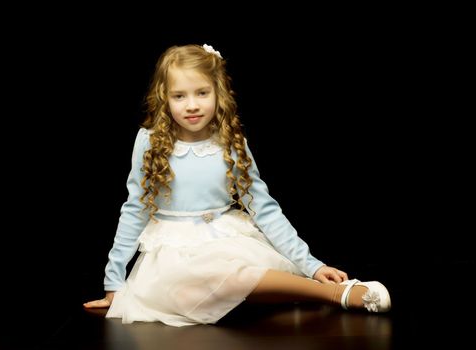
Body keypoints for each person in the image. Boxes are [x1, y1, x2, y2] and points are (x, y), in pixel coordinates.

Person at [83, 44, 391, 326]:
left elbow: (264, 209)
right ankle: (295, 293)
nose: (191, 105)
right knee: (191, 290)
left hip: (224, 239)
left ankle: (335, 293)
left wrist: (311, 264)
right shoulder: (149, 141)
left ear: (219, 92)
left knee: (229, 274)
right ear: (164, 97)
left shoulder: (230, 142)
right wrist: (114, 280)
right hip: (173, 251)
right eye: (180, 96)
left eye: (202, 93)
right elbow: (134, 208)